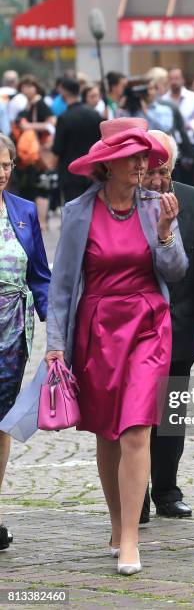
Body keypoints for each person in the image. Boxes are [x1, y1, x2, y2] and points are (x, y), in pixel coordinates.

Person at [45, 118, 188, 575]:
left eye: (145, 156)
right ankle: (116, 520)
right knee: (106, 431)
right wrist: (55, 346)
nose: (143, 164)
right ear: (108, 164)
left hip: (148, 325)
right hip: (98, 330)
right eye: (134, 157)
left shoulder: (156, 205)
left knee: (136, 428)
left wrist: (166, 231)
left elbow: (177, 270)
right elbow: (63, 286)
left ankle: (131, 537)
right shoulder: (79, 212)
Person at [142, 129, 194, 521]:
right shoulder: (120, 202)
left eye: (163, 170)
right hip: (132, 326)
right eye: (148, 170)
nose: (156, 179)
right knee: (134, 413)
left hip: (180, 324)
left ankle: (166, 489)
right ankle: (135, 495)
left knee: (171, 413)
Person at [0, 133, 50, 551]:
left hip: (13, 337)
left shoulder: (23, 211)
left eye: (6, 165)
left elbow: (40, 276)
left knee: (1, 421)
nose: (1, 172)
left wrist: (58, 326)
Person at [14, 75, 56, 232]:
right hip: (31, 155)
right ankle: (38, 223)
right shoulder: (29, 104)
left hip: (38, 153)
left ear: (36, 88)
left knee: (40, 188)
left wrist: (29, 126)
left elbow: (51, 123)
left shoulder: (40, 104)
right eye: (24, 86)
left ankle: (42, 223)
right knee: (34, 188)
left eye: (29, 86)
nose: (26, 89)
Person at [52, 78, 102, 202]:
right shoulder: (95, 114)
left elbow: (57, 149)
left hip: (71, 174)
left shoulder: (64, 118)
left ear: (63, 92)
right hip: (94, 172)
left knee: (74, 213)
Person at [162, 67, 194, 143]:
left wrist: (190, 125)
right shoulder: (163, 100)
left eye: (176, 78)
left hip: (191, 142)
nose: (173, 82)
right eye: (171, 79)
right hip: (170, 143)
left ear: (183, 79)